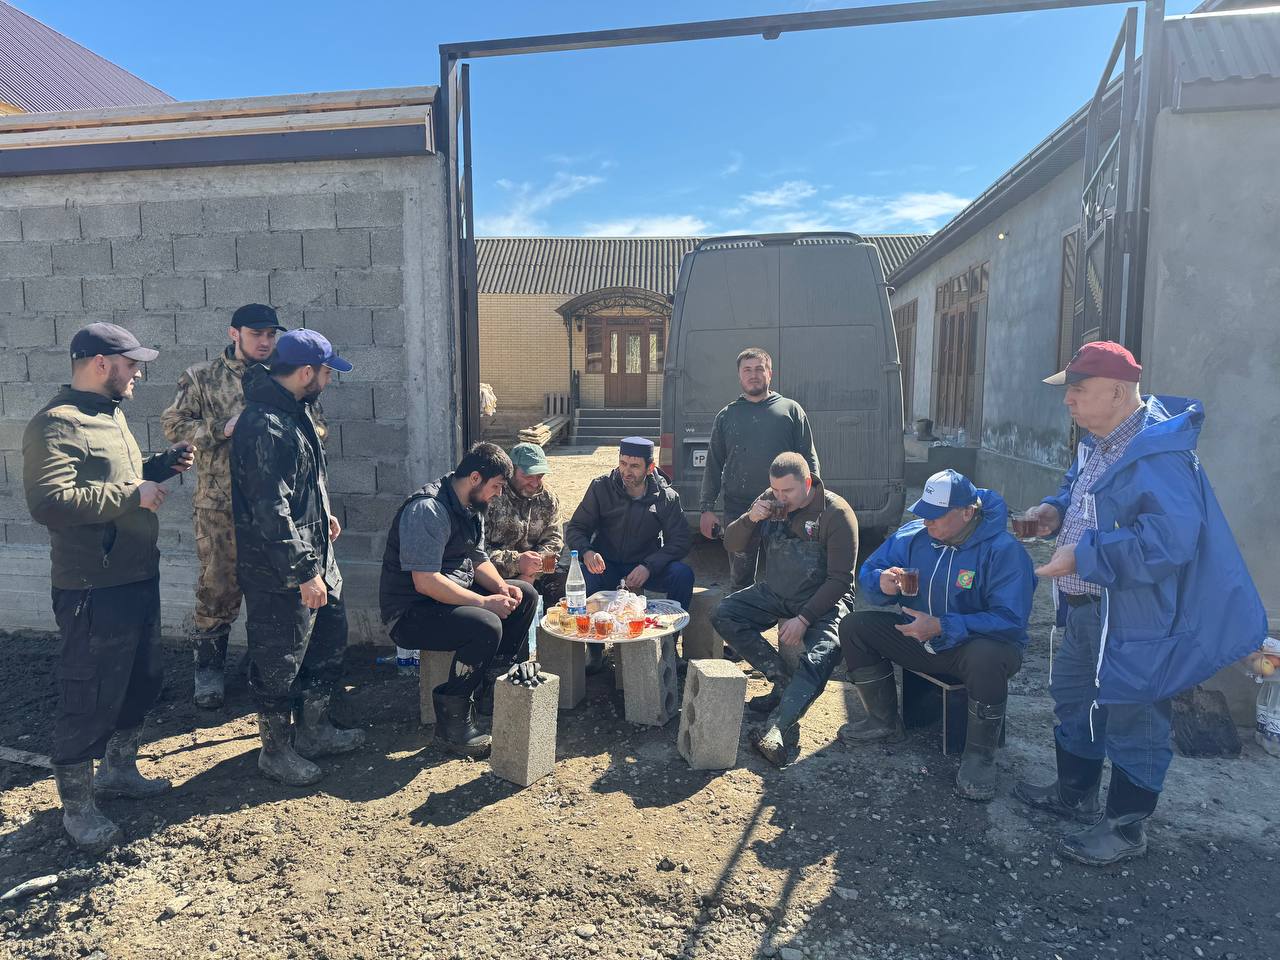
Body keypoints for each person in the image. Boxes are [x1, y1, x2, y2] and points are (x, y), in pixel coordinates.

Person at [1014, 341, 1265, 866]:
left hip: (1134, 616)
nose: (1068, 401)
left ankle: (1126, 829)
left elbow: (1168, 542)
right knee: (1074, 699)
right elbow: (1082, 493)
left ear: (1116, 392)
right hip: (1087, 609)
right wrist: (1054, 511)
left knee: (1134, 714)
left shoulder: (1159, 455)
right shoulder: (1099, 443)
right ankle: (1074, 794)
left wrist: (1083, 556)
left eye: (1078, 390)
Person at [22, 322, 195, 853]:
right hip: (92, 587)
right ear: (101, 363)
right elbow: (49, 502)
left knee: (142, 679)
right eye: (131, 364)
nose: (138, 372)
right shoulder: (56, 423)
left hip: (137, 573)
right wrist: (132, 495)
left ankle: (119, 771)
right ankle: (77, 808)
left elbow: (115, 477)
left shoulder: (109, 414)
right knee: (89, 693)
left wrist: (158, 467)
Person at [839, 469, 1036, 800]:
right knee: (855, 627)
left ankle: (979, 757)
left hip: (969, 650)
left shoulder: (1003, 551)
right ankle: (883, 721)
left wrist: (945, 625)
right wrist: (881, 583)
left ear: (967, 512)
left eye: (936, 515)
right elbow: (870, 572)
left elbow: (1011, 621)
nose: (927, 521)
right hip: (921, 639)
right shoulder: (914, 536)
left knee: (987, 656)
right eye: (924, 512)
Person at [230, 330, 366, 786]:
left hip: (316, 555)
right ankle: (275, 752)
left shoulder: (296, 411)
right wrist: (305, 571)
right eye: (327, 372)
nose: (329, 380)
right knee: (279, 660)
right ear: (307, 372)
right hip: (280, 571)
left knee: (326, 645)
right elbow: (270, 508)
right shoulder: (264, 424)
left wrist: (322, 515)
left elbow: (300, 484)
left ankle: (314, 732)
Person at [161, 303, 287, 709]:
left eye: (271, 335)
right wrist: (222, 428)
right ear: (235, 334)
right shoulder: (202, 376)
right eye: (257, 334)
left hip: (272, 505)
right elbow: (174, 425)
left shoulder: (283, 374)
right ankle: (209, 671)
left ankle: (264, 665)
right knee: (217, 588)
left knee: (273, 589)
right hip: (219, 505)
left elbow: (314, 423)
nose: (265, 342)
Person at [379, 442, 539, 757]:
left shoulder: (471, 507)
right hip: (412, 612)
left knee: (525, 596)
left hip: (448, 597)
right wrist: (484, 603)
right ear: (475, 478)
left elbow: (478, 559)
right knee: (486, 624)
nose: (499, 494)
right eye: (497, 486)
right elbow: (425, 582)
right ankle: (452, 724)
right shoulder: (428, 510)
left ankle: (491, 687)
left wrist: (501, 588)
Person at [711, 453, 857, 767]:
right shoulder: (770, 500)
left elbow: (841, 580)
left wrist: (804, 618)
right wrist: (751, 518)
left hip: (824, 599)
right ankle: (784, 682)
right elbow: (732, 544)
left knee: (822, 653)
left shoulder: (836, 513)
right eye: (775, 490)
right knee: (724, 613)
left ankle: (779, 727)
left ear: (808, 483)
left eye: (787, 491)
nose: (780, 497)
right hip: (778, 591)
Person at [565, 437, 694, 671]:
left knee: (682, 575)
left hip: (644, 565)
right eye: (623, 463)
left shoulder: (666, 497)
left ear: (650, 467)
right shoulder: (601, 488)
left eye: (634, 466)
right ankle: (595, 650)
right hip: (606, 564)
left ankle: (669, 647)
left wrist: (650, 566)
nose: (626, 471)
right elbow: (576, 528)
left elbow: (681, 540)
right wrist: (587, 552)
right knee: (583, 577)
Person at [699, 348, 820, 590]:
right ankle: (741, 613)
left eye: (759, 369)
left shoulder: (791, 410)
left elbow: (808, 459)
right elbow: (713, 463)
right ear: (739, 376)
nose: (753, 375)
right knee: (740, 581)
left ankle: (786, 614)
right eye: (747, 370)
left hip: (784, 507)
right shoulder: (727, 416)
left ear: (770, 373)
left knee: (789, 577)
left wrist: (813, 500)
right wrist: (706, 508)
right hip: (739, 509)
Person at [484, 442, 565, 606]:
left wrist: (533, 571)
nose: (535, 483)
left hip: (535, 573)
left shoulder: (548, 498)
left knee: (564, 583)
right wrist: (517, 563)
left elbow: (554, 540)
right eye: (528, 476)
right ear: (511, 470)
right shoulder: (492, 495)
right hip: (495, 573)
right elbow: (478, 551)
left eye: (540, 476)